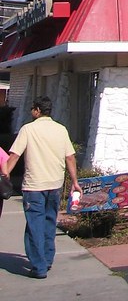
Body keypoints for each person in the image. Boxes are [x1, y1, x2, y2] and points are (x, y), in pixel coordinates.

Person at [0, 96, 81, 279]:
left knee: (34, 225)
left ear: (37, 110)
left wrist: (4, 176)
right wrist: (75, 182)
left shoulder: (28, 129)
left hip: (34, 186)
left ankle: (39, 266)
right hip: (55, 185)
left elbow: (14, 155)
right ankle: (47, 259)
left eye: (32, 108)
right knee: (49, 223)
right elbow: (70, 157)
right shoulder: (61, 130)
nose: (31, 111)